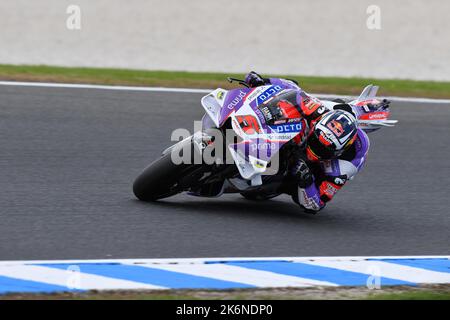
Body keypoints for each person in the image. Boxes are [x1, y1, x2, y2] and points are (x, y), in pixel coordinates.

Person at [244, 71, 370, 213]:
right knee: (289, 111)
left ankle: (284, 180)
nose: (314, 150)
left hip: (310, 172)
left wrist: (307, 179)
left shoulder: (344, 166)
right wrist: (263, 81)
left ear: (337, 152)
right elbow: (293, 90)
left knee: (298, 180)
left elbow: (317, 204)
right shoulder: (319, 112)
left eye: (322, 149)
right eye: (315, 140)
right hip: (307, 130)